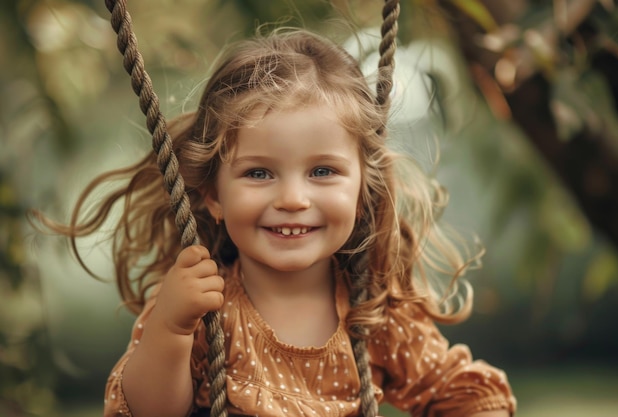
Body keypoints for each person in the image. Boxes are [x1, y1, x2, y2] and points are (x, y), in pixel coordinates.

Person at [39, 28, 516, 417]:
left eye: (323, 171)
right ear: (213, 196)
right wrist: (171, 328)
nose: (292, 199)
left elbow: (463, 392)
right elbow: (148, 412)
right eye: (259, 173)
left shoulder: (374, 314)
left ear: (361, 189)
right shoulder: (204, 307)